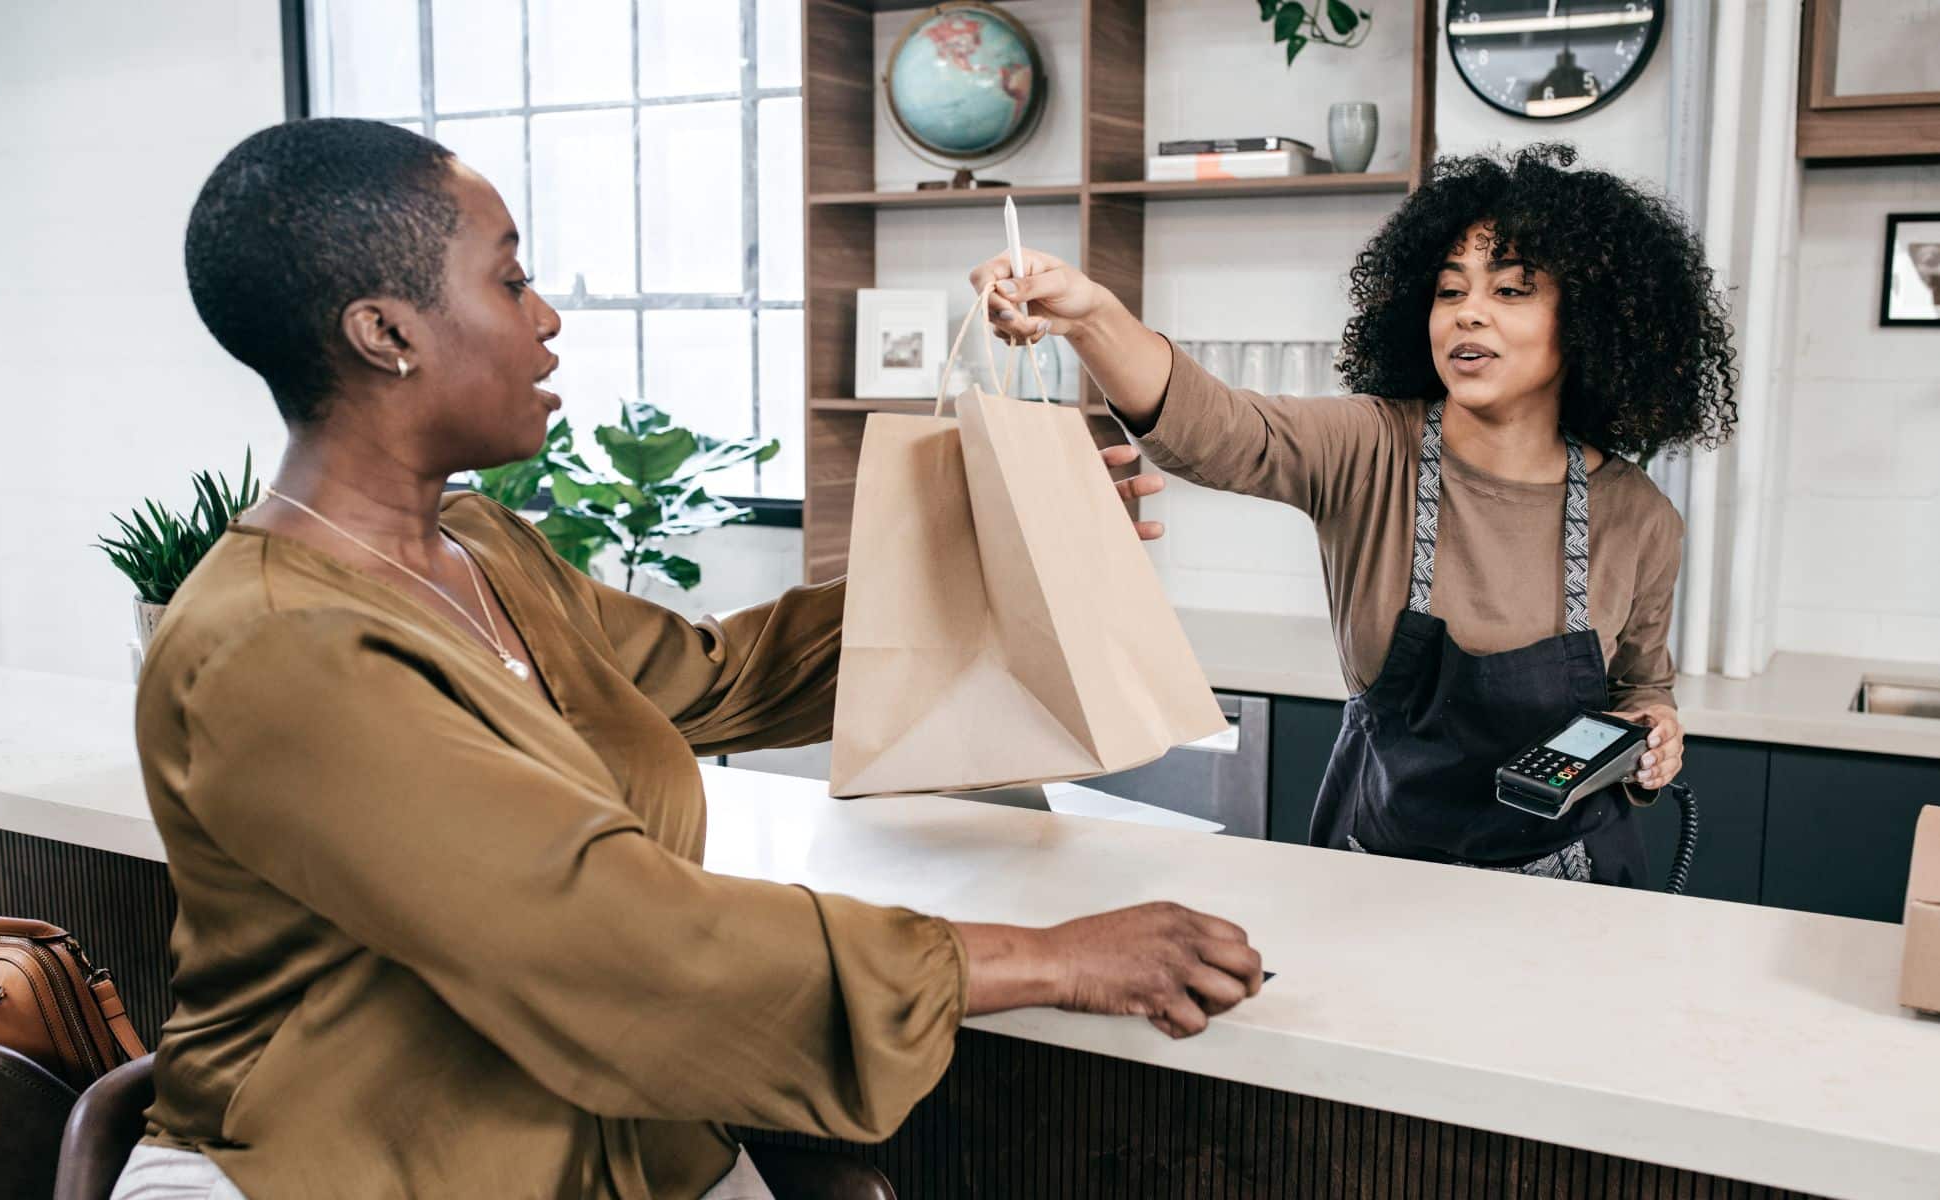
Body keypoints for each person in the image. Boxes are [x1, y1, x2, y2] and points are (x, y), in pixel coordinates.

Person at [119, 118, 1262, 1200]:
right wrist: (1045, 960)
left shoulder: (483, 548)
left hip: (632, 1158)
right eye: (511, 281)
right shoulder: (272, 648)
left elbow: (718, 675)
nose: (547, 318)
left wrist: (1006, 541)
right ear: (386, 334)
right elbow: (610, 940)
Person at [970, 144, 1738, 887]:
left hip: (1573, 885)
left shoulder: (1639, 517)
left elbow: (1641, 686)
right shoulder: (1372, 449)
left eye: (1510, 291)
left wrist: (1654, 734)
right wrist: (1092, 319)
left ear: (1589, 321)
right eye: (1450, 292)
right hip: (1376, 874)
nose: (1469, 314)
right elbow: (1218, 429)